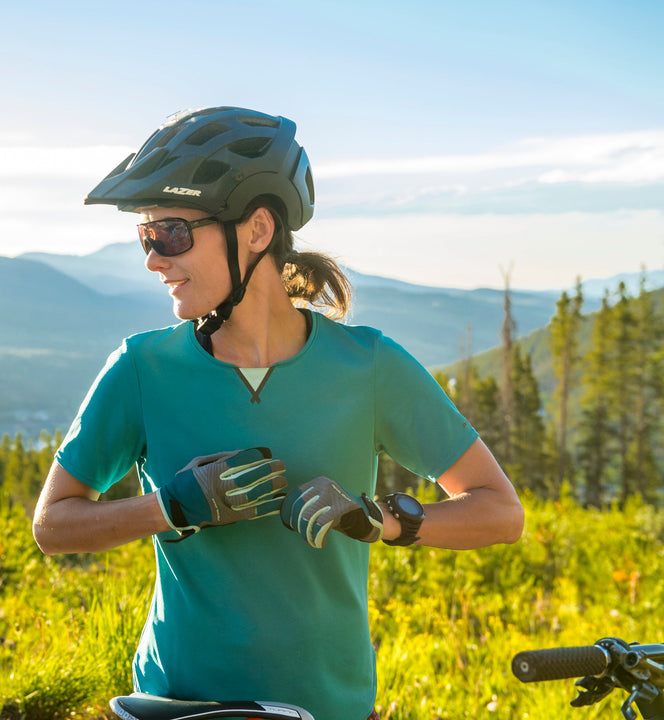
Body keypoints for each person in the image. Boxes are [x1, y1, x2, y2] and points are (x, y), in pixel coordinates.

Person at [31, 106, 524, 720]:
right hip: (182, 703)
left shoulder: (369, 366)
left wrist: (379, 521)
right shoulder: (140, 368)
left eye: (171, 234)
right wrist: (171, 506)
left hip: (329, 706)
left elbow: (500, 512)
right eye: (145, 236)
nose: (153, 259)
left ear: (257, 229)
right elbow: (52, 525)